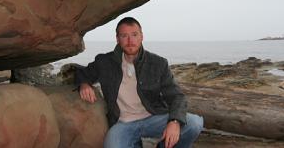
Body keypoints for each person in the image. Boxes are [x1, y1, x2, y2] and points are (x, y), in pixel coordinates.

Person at [75, 17, 204, 148]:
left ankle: (165, 145)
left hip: (154, 118)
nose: (130, 41)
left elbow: (177, 96)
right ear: (117, 39)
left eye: (134, 35)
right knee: (112, 145)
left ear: (142, 36)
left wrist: (175, 122)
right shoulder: (104, 62)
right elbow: (81, 73)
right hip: (123, 123)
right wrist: (84, 84)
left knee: (195, 123)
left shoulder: (158, 63)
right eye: (124, 36)